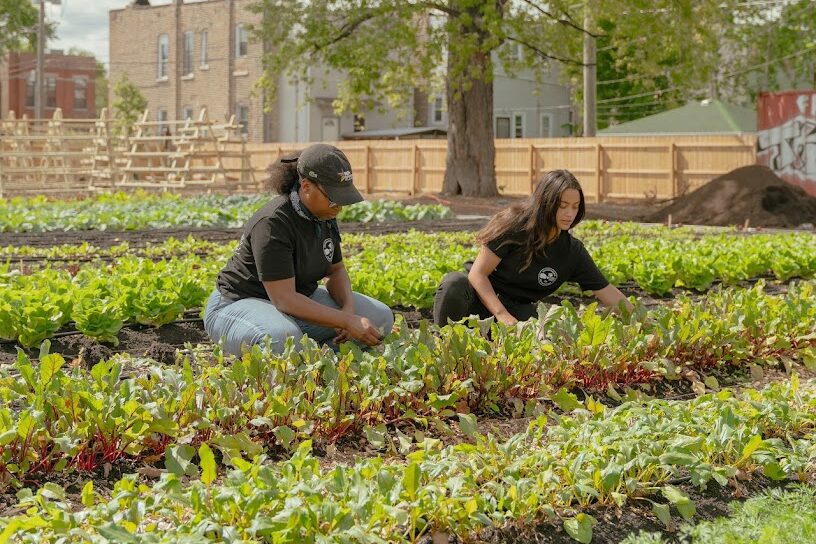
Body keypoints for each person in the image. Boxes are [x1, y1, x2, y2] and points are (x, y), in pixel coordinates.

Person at [204, 143, 394, 356]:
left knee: (381, 317)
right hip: (238, 306)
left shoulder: (324, 215)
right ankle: (297, 356)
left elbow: (336, 271)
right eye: (333, 199)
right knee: (281, 339)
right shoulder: (273, 223)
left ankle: (321, 362)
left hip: (295, 304)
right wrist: (346, 320)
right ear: (306, 187)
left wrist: (348, 310)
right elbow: (284, 299)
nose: (339, 208)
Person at [433, 169, 633, 327]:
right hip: (477, 301)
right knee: (454, 283)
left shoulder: (572, 252)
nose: (569, 213)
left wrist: (644, 323)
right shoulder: (513, 225)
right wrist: (502, 315)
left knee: (555, 326)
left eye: (575, 206)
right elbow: (477, 274)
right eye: (562, 206)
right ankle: (445, 348)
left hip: (517, 311)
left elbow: (607, 292)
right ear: (546, 202)